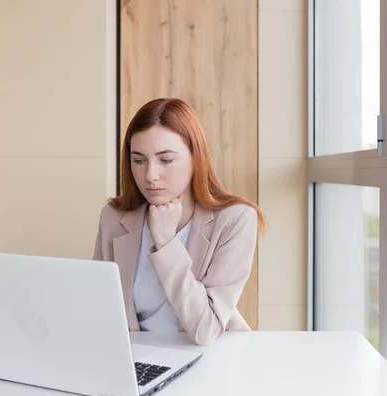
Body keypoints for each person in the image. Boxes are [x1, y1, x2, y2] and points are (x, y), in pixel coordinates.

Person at [93, 98, 264, 345]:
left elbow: (206, 331)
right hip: (136, 360)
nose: (150, 175)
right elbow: (98, 306)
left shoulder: (235, 220)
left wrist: (166, 242)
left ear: (196, 158)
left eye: (166, 160)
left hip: (209, 359)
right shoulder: (114, 217)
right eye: (138, 160)